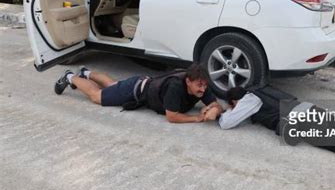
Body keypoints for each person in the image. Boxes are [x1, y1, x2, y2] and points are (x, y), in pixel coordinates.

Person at [54, 63, 222, 123]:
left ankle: (86, 73)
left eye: (205, 86)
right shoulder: (175, 87)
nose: (203, 89)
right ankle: (70, 77)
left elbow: (215, 104)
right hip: (134, 91)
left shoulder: (201, 83)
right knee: (98, 96)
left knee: (113, 85)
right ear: (188, 81)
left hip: (141, 83)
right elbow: (172, 116)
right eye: (199, 86)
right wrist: (197, 118)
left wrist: (214, 108)